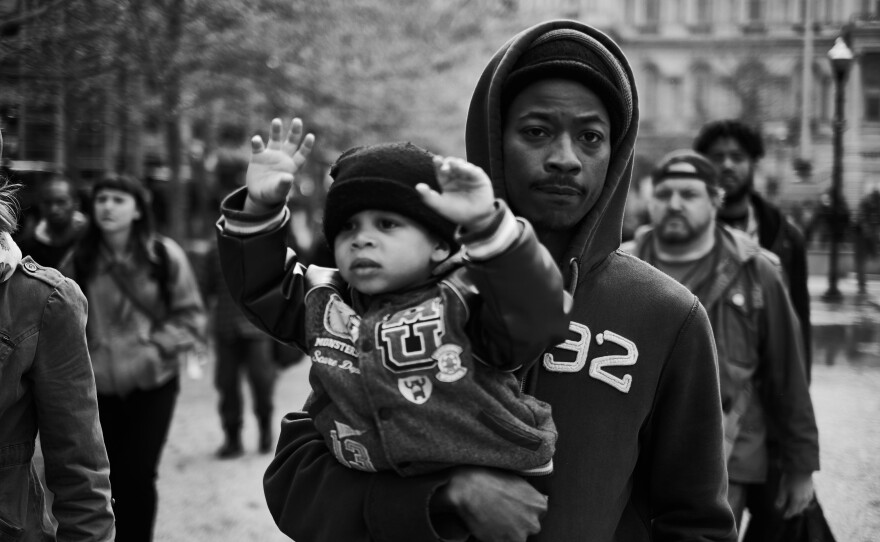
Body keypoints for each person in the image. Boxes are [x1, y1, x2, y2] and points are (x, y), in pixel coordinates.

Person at [221, 19, 736, 542]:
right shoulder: (397, 286)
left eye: (591, 137)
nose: (564, 157)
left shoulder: (665, 316)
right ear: (493, 138)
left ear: (616, 153)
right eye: (536, 131)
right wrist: (443, 498)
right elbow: (294, 478)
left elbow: (695, 521)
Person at [219, 133, 569, 478]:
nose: (361, 239)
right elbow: (263, 287)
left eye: (387, 224)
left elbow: (535, 317)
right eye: (347, 227)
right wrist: (259, 208)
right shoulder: (325, 301)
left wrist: (489, 228)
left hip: (494, 478)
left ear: (438, 246)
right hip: (381, 495)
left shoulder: (466, 297)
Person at [621, 150, 820, 536]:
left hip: (729, 457)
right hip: (632, 458)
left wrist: (800, 467)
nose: (674, 204)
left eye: (689, 194)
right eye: (663, 194)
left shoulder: (757, 271)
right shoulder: (619, 265)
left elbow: (788, 375)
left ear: (715, 200)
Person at [60, 173, 207, 542]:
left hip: (152, 384)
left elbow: (190, 317)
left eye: (118, 199)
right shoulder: (80, 258)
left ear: (138, 210)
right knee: (101, 477)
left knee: (140, 475)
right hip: (95, 388)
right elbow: (58, 319)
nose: (107, 206)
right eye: (101, 199)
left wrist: (154, 347)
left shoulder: (163, 255)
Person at [0, 131, 115, 541]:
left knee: (135, 472)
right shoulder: (40, 241)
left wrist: (147, 356)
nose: (56, 208)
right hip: (74, 360)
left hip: (95, 364)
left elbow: (80, 469)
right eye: (50, 202)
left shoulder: (50, 288)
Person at [693, 120, 812, 381]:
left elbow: (798, 320)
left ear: (753, 163)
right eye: (717, 157)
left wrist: (800, 385)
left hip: (764, 388)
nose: (727, 165)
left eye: (737, 157)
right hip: (698, 380)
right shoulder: (682, 233)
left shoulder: (786, 238)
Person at [202, 237, 279, 458]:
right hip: (225, 328)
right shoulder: (214, 250)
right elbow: (204, 288)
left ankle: (265, 430)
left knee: (262, 382)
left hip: (257, 328)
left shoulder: (264, 245)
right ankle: (232, 438)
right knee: (226, 385)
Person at [17, 174, 88, 269]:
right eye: (47, 202)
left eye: (61, 202)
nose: (53, 209)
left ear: (76, 204)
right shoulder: (25, 249)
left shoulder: (90, 242)